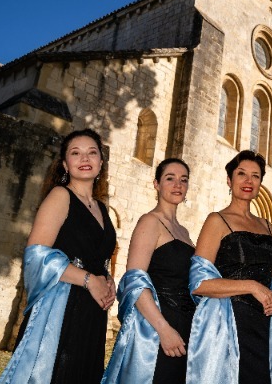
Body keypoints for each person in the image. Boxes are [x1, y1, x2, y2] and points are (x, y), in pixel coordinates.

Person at [0, 128, 116, 383]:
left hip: (93, 310)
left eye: (92, 152)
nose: (84, 158)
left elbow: (98, 256)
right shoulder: (60, 195)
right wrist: (89, 280)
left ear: (101, 162)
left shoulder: (101, 208)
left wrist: (108, 280)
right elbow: (36, 254)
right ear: (65, 164)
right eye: (76, 153)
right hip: (62, 307)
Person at [187, 150, 272, 384]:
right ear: (229, 179)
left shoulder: (266, 225)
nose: (248, 181)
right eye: (241, 174)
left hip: (265, 322)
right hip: (230, 322)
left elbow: (271, 274)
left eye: (255, 176)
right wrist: (251, 286)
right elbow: (198, 283)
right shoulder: (216, 220)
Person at [102, 158, 195, 383]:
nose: (178, 185)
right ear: (156, 184)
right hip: (157, 327)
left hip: (185, 325)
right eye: (170, 178)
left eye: (183, 180)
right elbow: (134, 280)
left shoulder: (184, 232)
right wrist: (164, 329)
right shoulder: (149, 222)